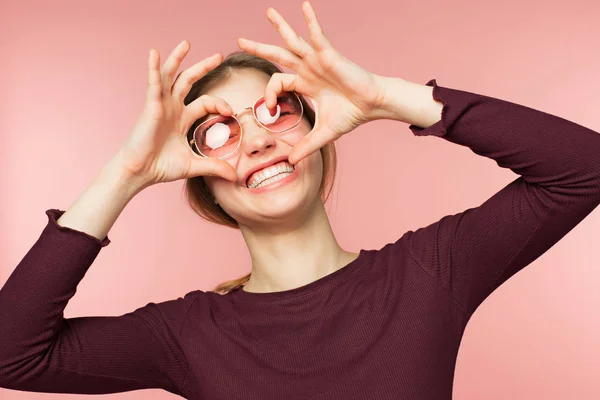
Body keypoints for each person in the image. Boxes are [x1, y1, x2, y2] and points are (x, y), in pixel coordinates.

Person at [1, 1, 599, 399]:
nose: (257, 139)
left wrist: (387, 98)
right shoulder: (186, 334)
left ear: (320, 141)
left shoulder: (427, 273)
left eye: (274, 113)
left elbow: (584, 168)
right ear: (204, 183)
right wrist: (127, 172)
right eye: (219, 133)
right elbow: (11, 354)